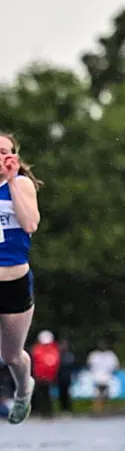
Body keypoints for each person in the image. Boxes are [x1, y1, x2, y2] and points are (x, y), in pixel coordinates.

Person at [0, 132, 41, 424]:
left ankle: (24, 390)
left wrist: (12, 181)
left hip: (14, 281)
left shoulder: (21, 185)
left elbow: (30, 224)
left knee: (12, 356)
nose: (1, 157)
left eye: (5, 152)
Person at [31, 329, 59, 418]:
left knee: (45, 394)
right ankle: (42, 411)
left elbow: (53, 363)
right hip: (42, 376)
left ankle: (45, 411)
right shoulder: (39, 349)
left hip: (45, 377)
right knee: (42, 394)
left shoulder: (50, 349)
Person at [86, 339, 119, 415]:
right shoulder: (94, 355)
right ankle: (97, 410)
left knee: (105, 395)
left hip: (107, 378)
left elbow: (116, 366)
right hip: (96, 377)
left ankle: (102, 409)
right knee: (97, 394)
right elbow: (89, 364)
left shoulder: (110, 355)